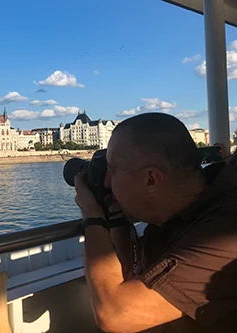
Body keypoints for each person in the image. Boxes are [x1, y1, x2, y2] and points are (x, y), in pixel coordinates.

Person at [74, 112, 237, 332]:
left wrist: (92, 217)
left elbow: (114, 315)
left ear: (151, 179)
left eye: (112, 170)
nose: (106, 182)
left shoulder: (224, 232)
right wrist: (114, 218)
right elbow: (130, 279)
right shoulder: (173, 216)